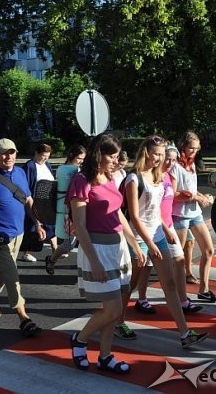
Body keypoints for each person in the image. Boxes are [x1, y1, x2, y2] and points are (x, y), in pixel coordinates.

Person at [66, 133, 145, 373]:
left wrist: (133, 243)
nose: (116, 159)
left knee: (116, 311)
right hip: (97, 249)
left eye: (117, 154)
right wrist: (95, 262)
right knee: (111, 309)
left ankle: (105, 356)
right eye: (111, 155)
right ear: (98, 154)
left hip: (117, 248)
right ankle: (80, 339)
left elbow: (118, 214)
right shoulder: (82, 181)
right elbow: (79, 226)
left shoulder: (110, 177)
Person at [119, 136, 208, 347]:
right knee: (130, 284)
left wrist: (167, 230)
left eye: (161, 154)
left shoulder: (159, 176)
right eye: (156, 154)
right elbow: (134, 217)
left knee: (169, 284)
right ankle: (118, 321)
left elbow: (157, 211)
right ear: (146, 153)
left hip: (157, 235)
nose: (159, 158)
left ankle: (185, 333)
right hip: (139, 239)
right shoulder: (134, 179)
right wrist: (147, 244)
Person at [0, 138, 45, 338]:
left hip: (17, 234)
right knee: (12, 276)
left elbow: (28, 200)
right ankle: (23, 318)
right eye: (3, 153)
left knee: (2, 274)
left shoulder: (20, 173)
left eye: (11, 152)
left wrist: (37, 223)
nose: (8, 157)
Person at [171, 131, 216, 302]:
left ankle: (204, 289)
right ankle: (178, 295)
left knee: (208, 250)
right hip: (180, 215)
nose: (194, 151)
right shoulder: (175, 166)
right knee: (178, 258)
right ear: (182, 147)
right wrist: (197, 197)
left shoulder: (191, 165)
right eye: (191, 148)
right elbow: (173, 194)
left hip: (194, 213)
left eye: (197, 149)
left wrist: (202, 196)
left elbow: (191, 189)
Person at [163, 143, 202, 313]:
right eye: (167, 159)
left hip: (169, 224)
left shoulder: (167, 175)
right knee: (142, 271)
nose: (170, 163)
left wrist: (197, 196)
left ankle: (181, 302)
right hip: (161, 225)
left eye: (173, 159)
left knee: (178, 262)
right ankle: (140, 300)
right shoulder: (147, 177)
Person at [45, 144, 86, 275]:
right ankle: (51, 259)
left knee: (79, 242)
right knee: (69, 244)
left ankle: (84, 270)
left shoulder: (73, 169)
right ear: (71, 156)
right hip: (68, 211)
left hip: (74, 209)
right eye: (79, 158)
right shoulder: (67, 170)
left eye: (83, 159)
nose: (81, 161)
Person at [20, 143, 56, 262]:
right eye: (43, 156)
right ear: (36, 153)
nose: (45, 159)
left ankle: (55, 249)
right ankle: (26, 252)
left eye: (47, 156)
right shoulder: (30, 166)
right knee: (34, 228)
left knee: (51, 226)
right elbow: (27, 186)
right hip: (35, 201)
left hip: (47, 201)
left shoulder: (47, 165)